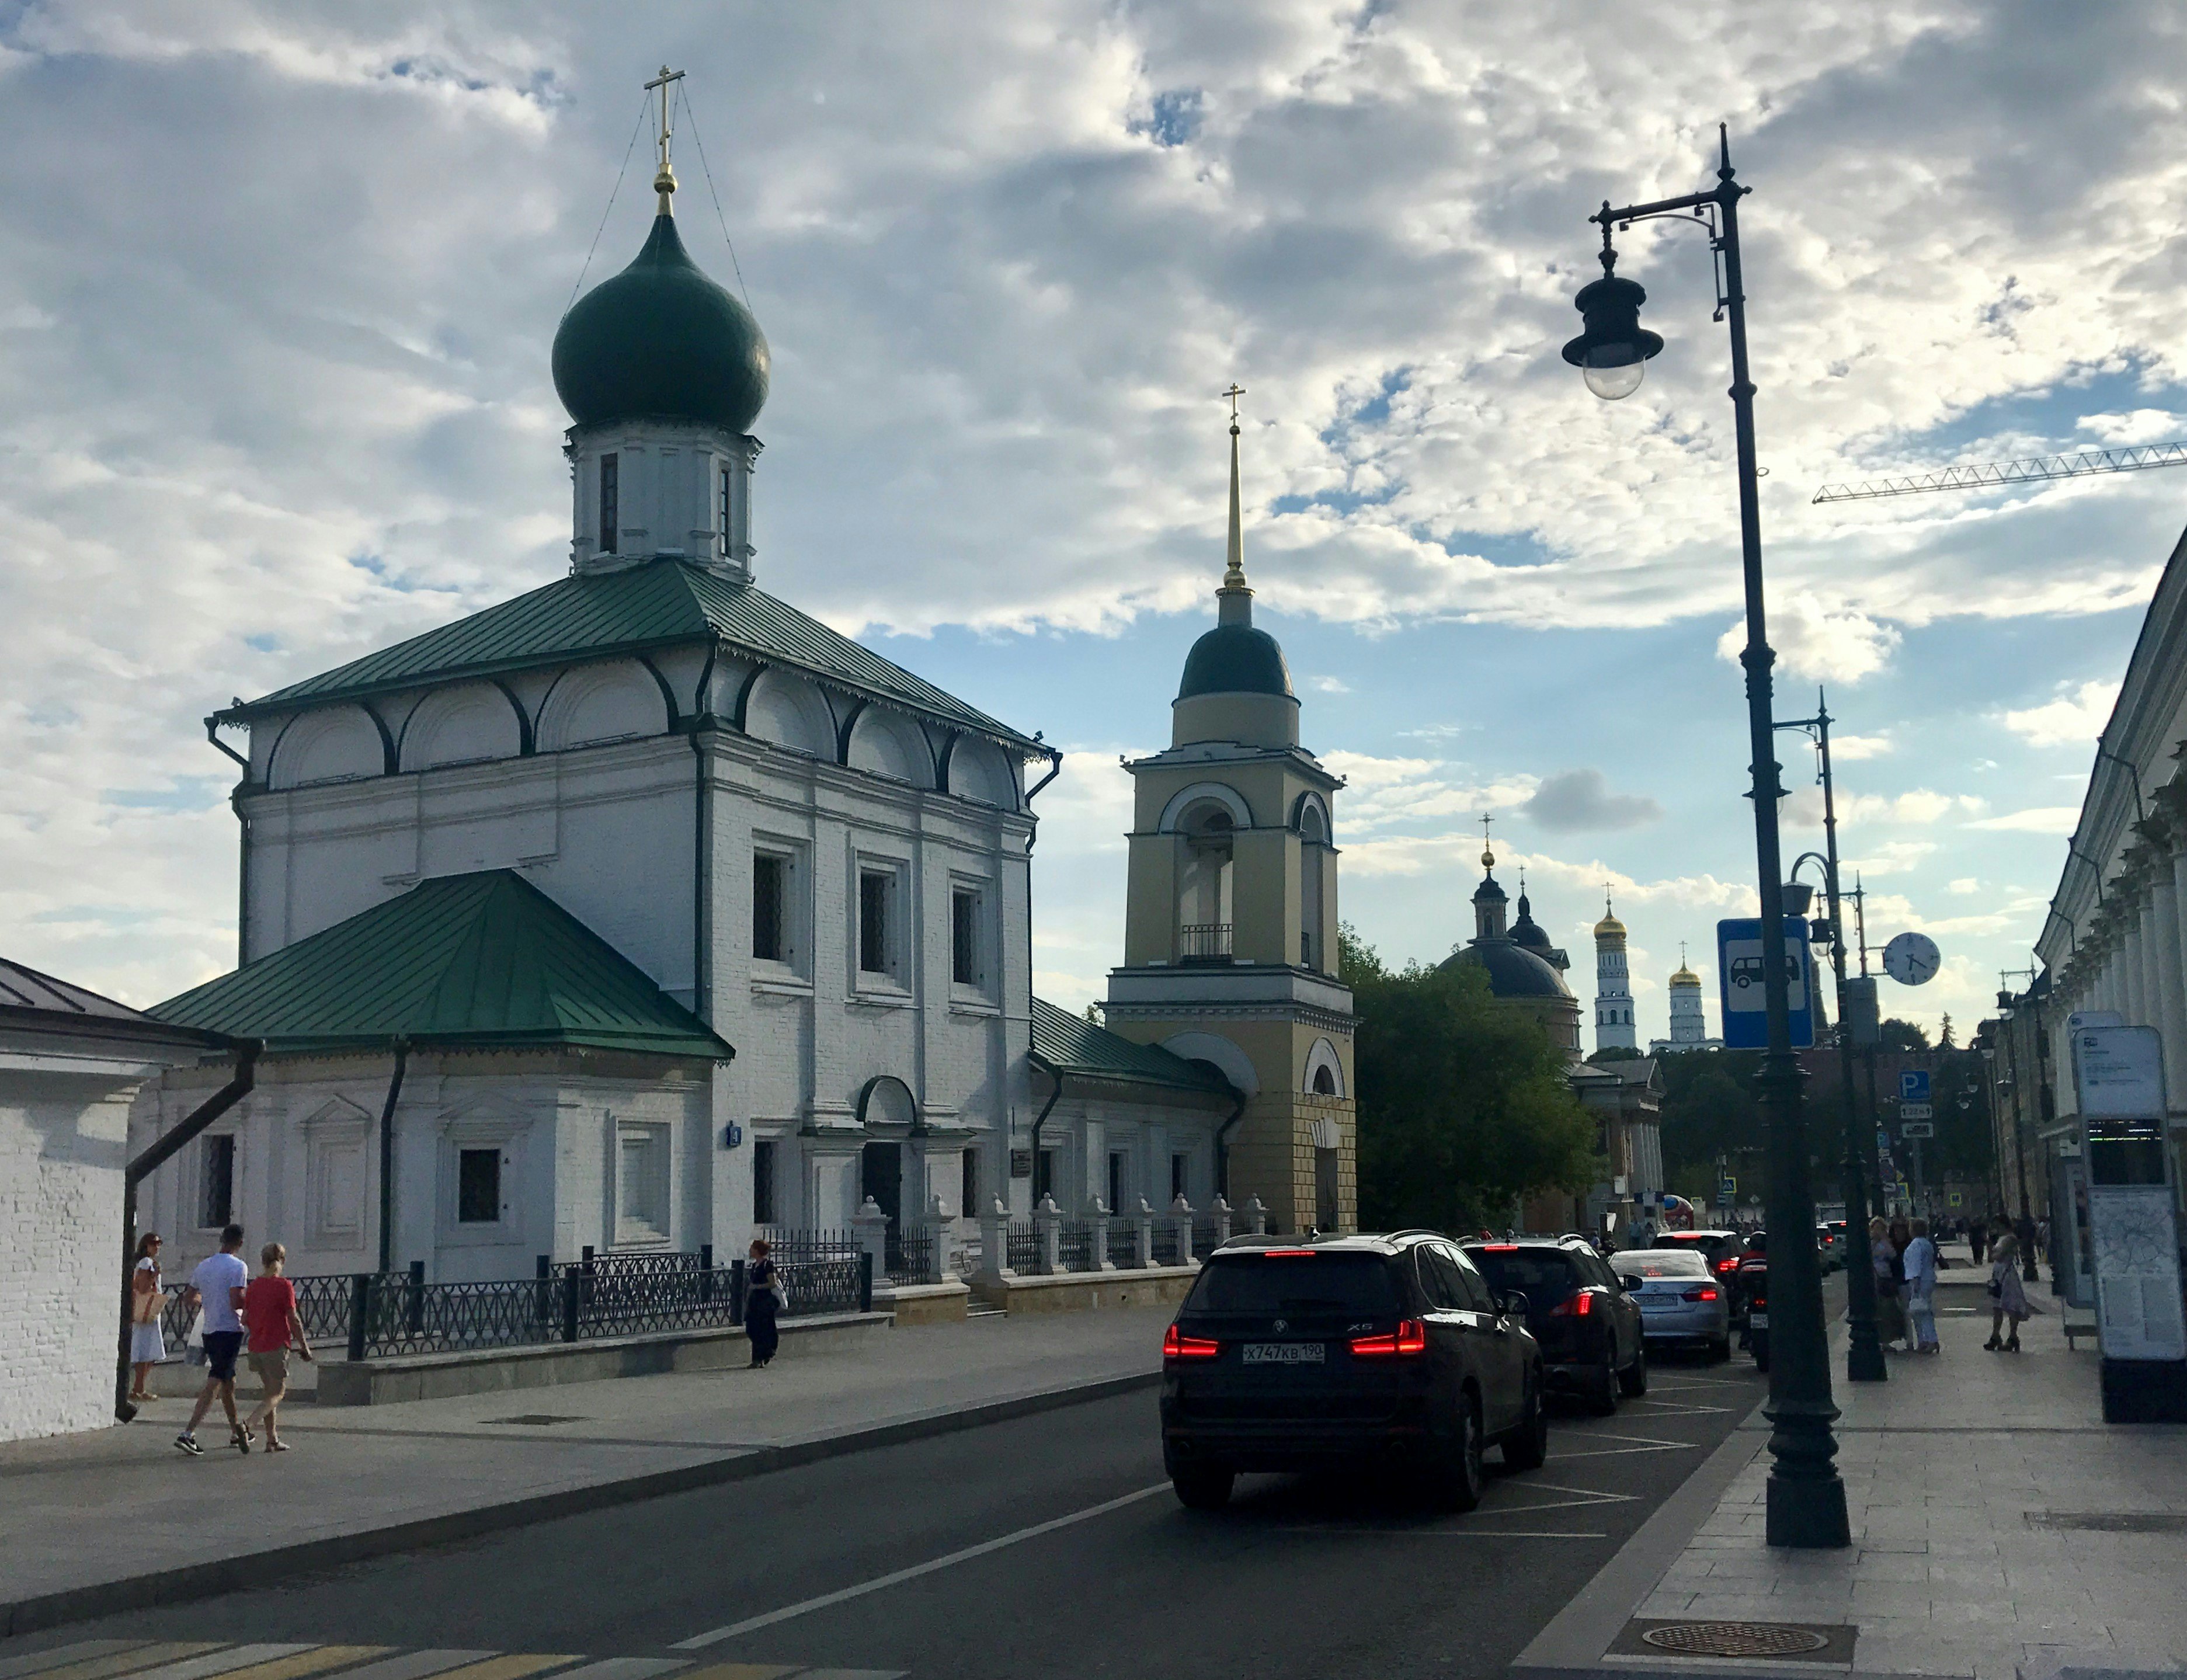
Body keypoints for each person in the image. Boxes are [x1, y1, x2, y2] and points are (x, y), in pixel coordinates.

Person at [176, 1225, 251, 1455]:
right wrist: (253, 1302)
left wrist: (208, 1300)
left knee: (228, 1382)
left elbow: (189, 1298)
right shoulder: (238, 1266)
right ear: (240, 1243)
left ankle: (235, 1431)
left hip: (209, 1330)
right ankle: (188, 1433)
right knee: (217, 1380)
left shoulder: (205, 1265)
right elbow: (236, 1301)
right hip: (229, 1328)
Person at [241, 1243, 314, 1452]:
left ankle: (272, 1439)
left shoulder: (254, 1287)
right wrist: (305, 1347)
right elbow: (293, 1319)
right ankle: (247, 1426)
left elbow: (245, 1318)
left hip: (256, 1347)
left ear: (263, 1261)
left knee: (269, 1393)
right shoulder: (284, 1286)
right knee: (278, 1393)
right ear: (282, 1261)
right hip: (276, 1346)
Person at [128, 1232, 169, 1403]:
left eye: (159, 1244)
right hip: (146, 1311)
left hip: (145, 1312)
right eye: (154, 1244)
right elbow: (143, 1287)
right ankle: (139, 1388)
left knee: (147, 1352)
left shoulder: (143, 1262)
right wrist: (155, 1274)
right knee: (148, 1351)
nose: (157, 1247)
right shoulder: (147, 1263)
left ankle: (139, 1388)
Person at [1986, 1222, 2040, 1351]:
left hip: (2007, 1275)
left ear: (2004, 1225)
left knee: (2011, 1305)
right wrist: (1991, 1249)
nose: (1996, 1230)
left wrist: (1992, 1250)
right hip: (1999, 1273)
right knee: (1997, 1307)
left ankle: (2013, 1337)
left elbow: (1999, 1256)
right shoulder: (2001, 1239)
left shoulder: (2010, 1238)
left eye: (1998, 1226)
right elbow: (1991, 1258)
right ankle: (1995, 1336)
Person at [1903, 1219, 1940, 1354]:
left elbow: (1915, 1265)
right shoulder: (1927, 1244)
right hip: (1928, 1279)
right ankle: (1926, 1340)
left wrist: (1915, 1283)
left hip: (1919, 1281)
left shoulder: (1915, 1245)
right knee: (1925, 1310)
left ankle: (1930, 1341)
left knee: (1921, 1312)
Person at [1869, 1216, 1907, 1349]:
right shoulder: (1870, 1242)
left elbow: (1892, 1255)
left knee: (1889, 1310)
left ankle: (1886, 1340)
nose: (1878, 1231)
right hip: (1874, 1279)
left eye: (1881, 1228)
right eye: (1876, 1228)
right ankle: (1879, 1340)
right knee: (1878, 1309)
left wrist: (1885, 1240)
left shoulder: (1886, 1243)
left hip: (1886, 1279)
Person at [745, 1238, 780, 1369]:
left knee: (763, 1329)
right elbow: (751, 1286)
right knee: (752, 1329)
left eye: (752, 1248)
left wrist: (757, 1287)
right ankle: (760, 1356)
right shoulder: (754, 1266)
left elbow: (772, 1283)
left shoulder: (768, 1265)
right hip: (755, 1302)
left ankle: (760, 1358)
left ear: (758, 1251)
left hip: (765, 1302)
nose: (750, 1250)